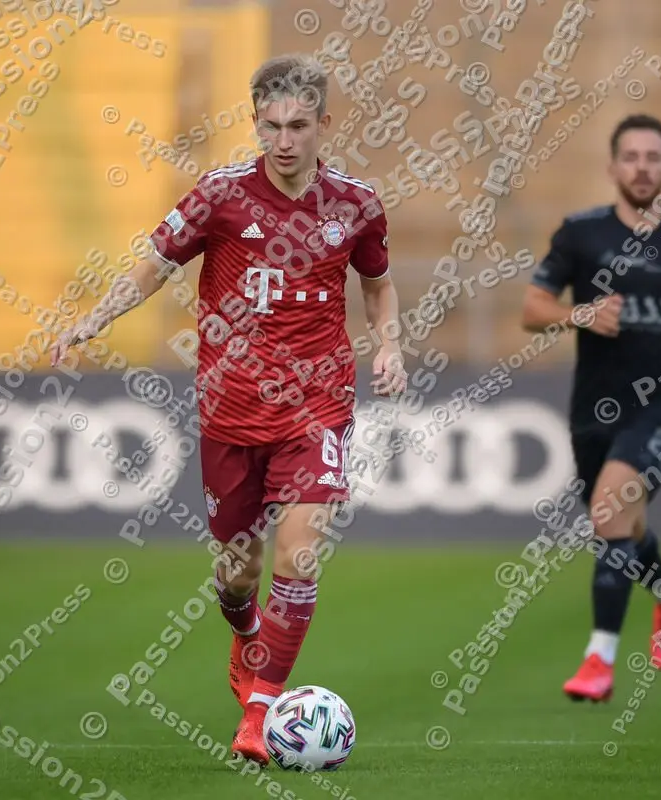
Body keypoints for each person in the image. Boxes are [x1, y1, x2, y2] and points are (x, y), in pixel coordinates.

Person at [50, 54, 406, 763]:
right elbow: (153, 262)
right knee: (237, 575)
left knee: (301, 553)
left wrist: (389, 346)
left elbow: (378, 284)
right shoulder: (219, 197)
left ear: (323, 125)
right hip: (231, 408)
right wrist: (97, 317)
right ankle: (246, 639)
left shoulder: (356, 205)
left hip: (317, 403)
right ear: (254, 122)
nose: (283, 139)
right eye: (270, 125)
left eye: (298, 125)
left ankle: (263, 712)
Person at [521, 114, 661, 702]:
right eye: (631, 157)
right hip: (595, 407)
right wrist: (579, 314)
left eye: (653, 157)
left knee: (610, 511)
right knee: (620, 523)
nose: (643, 167)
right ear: (613, 167)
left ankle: (599, 659)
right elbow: (533, 307)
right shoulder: (581, 234)